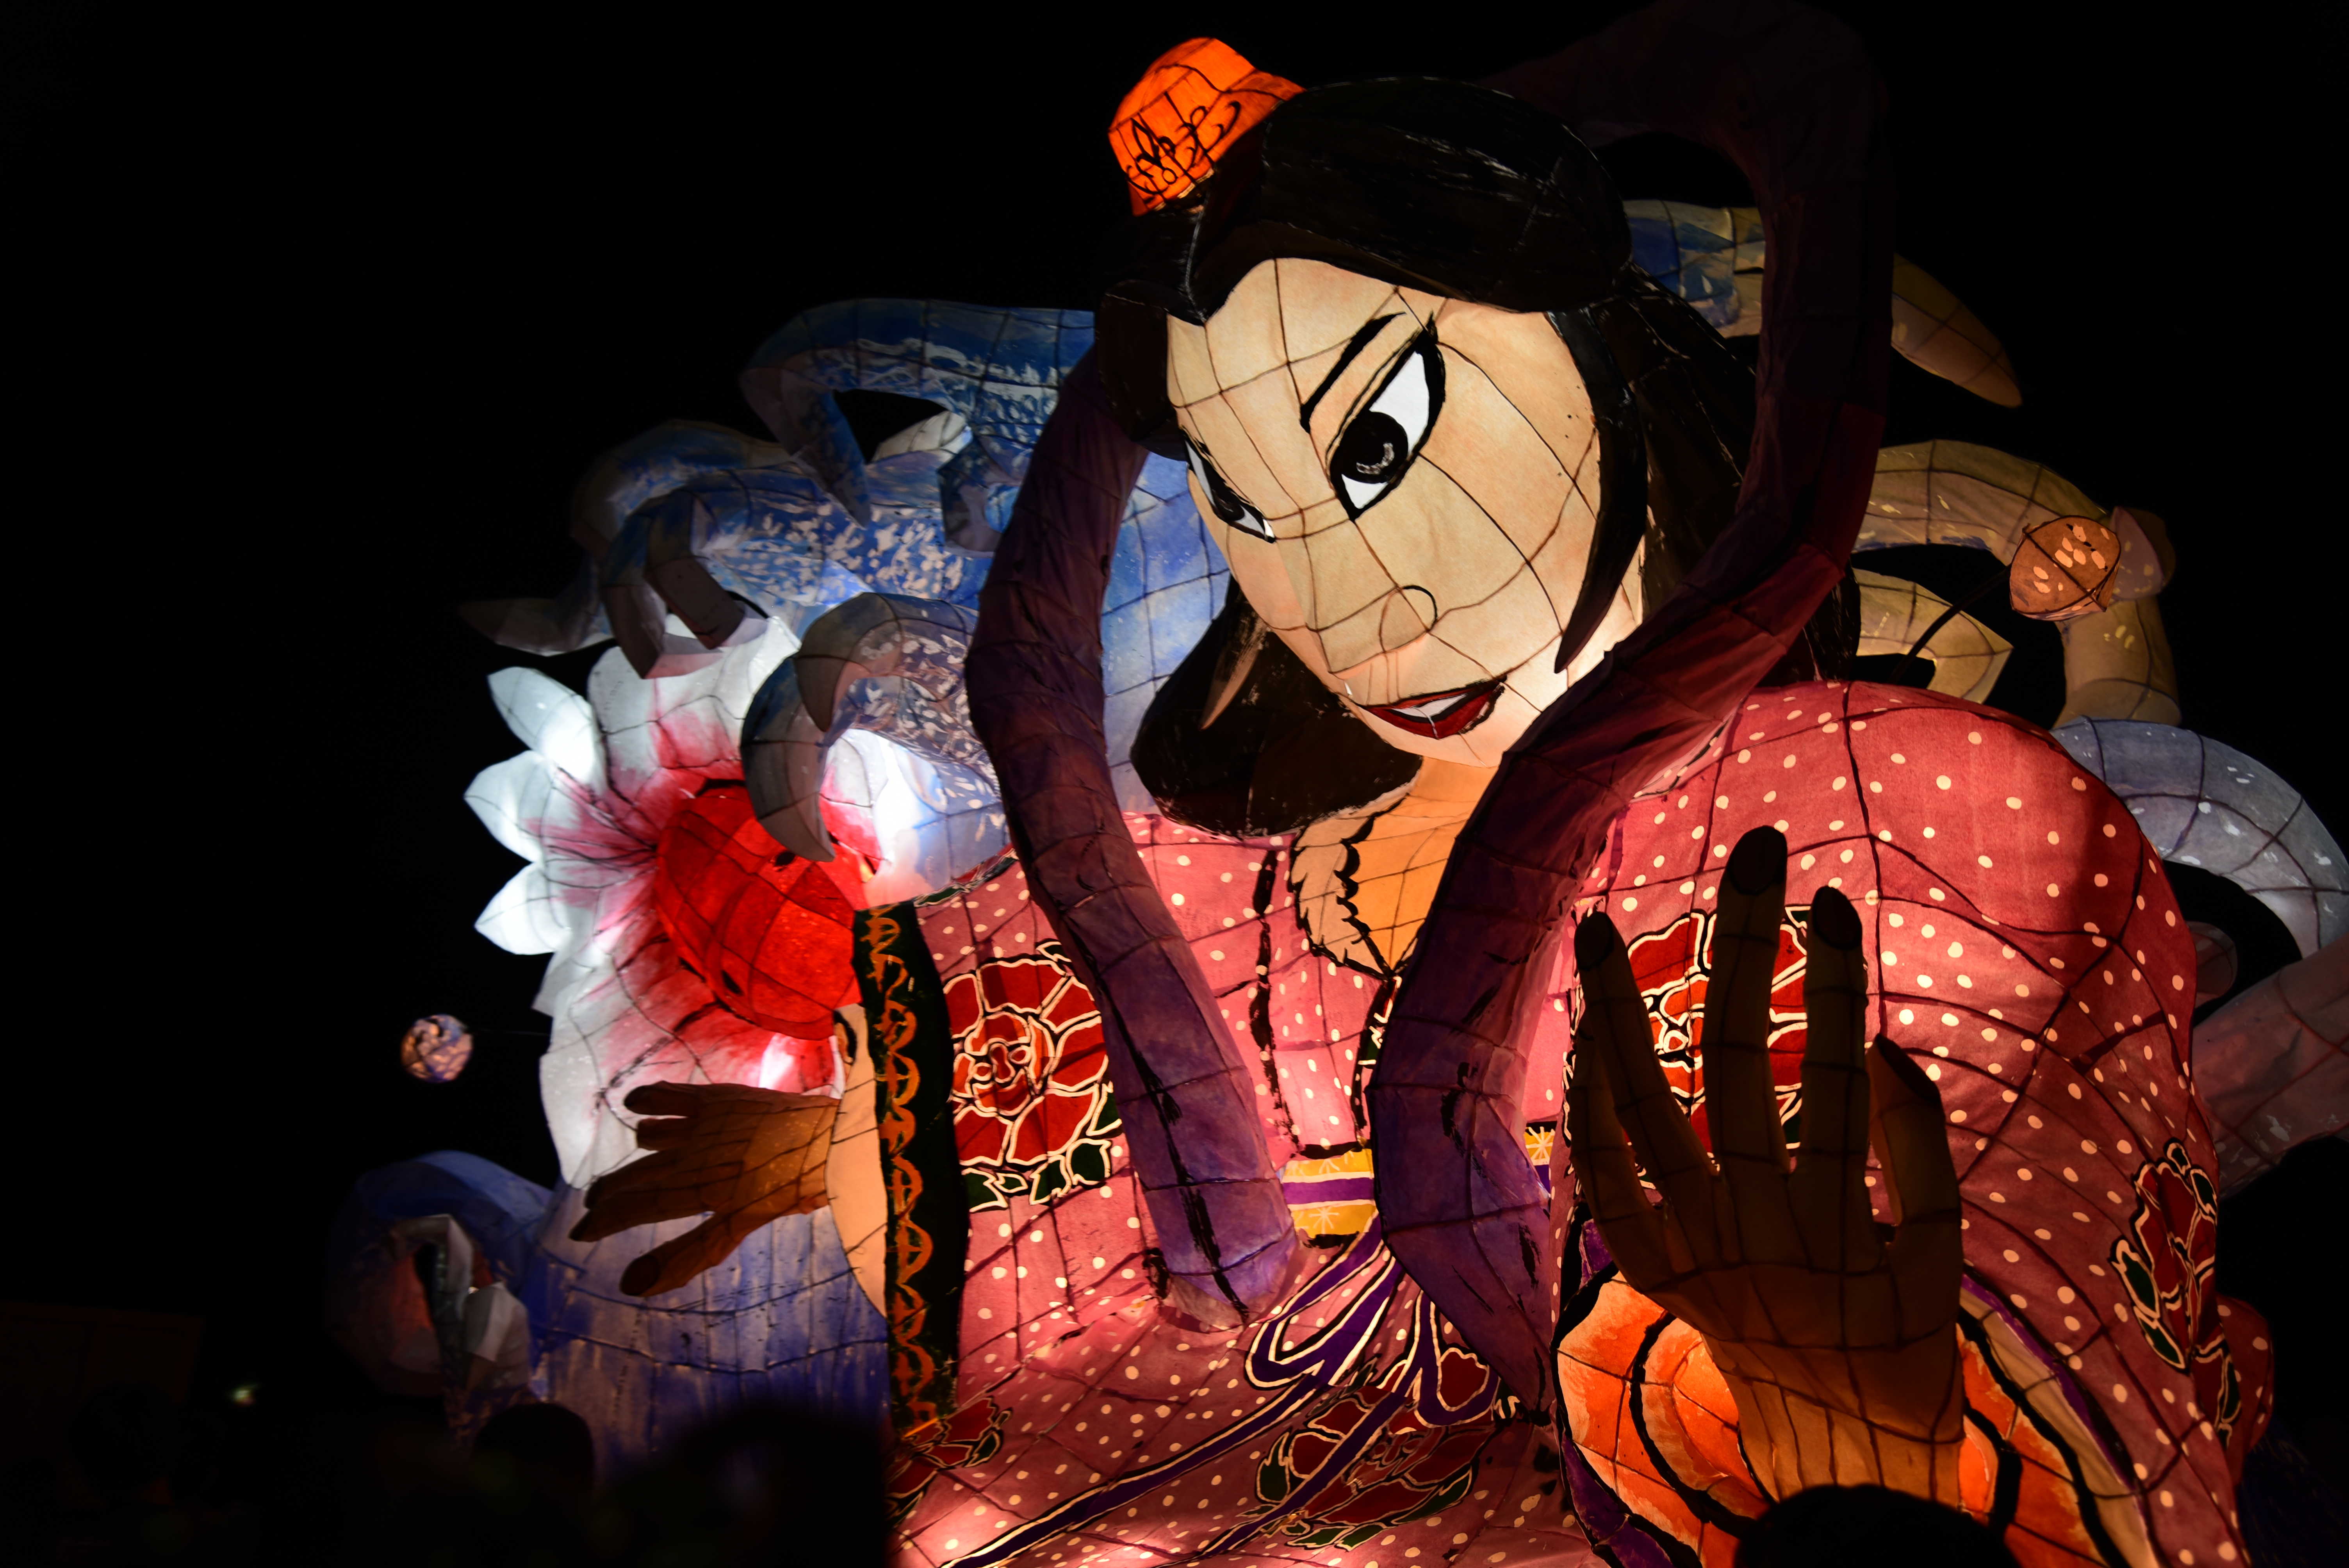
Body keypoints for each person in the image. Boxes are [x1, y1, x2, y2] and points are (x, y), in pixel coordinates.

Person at [337, 5, 2343, 1564]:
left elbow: (2032, 1323)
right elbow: (1007, 1408)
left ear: (1605, 361)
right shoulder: (1137, 922)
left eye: (1377, 436)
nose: (1351, 597)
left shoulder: (1898, 813)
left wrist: (1865, 1446)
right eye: (1251, 498)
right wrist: (845, 1150)